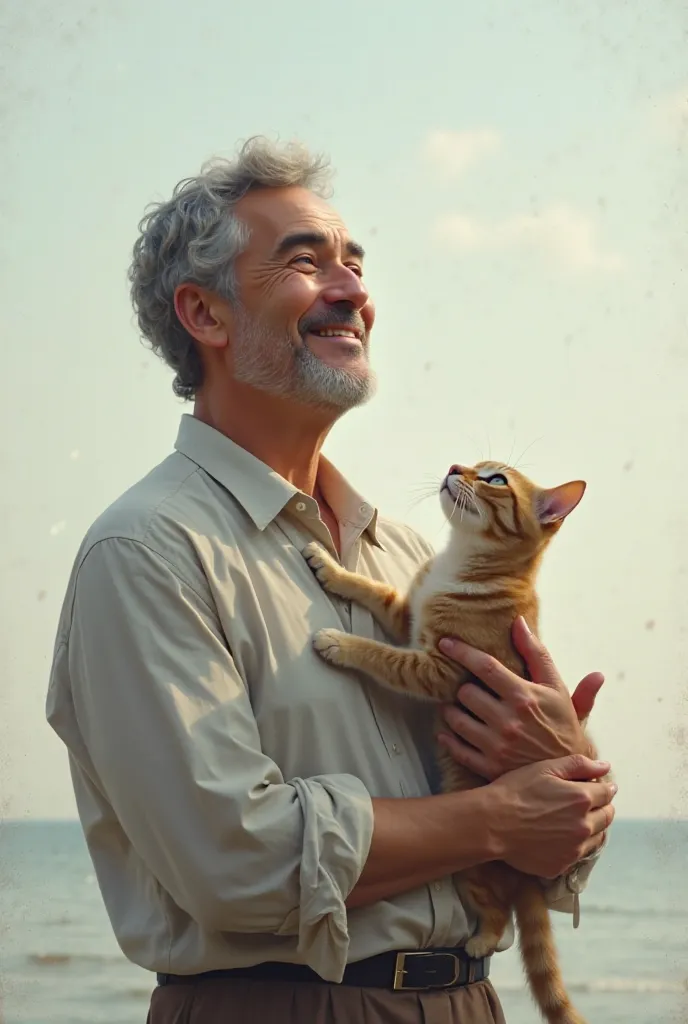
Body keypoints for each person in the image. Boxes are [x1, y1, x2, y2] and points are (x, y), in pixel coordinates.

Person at [46, 137, 615, 1024]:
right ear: (205, 313)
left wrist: (567, 784)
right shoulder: (148, 551)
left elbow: (550, 843)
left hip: (475, 1002)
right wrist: (504, 815)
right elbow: (239, 865)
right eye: (305, 262)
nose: (353, 289)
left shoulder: (403, 557)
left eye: (354, 262)